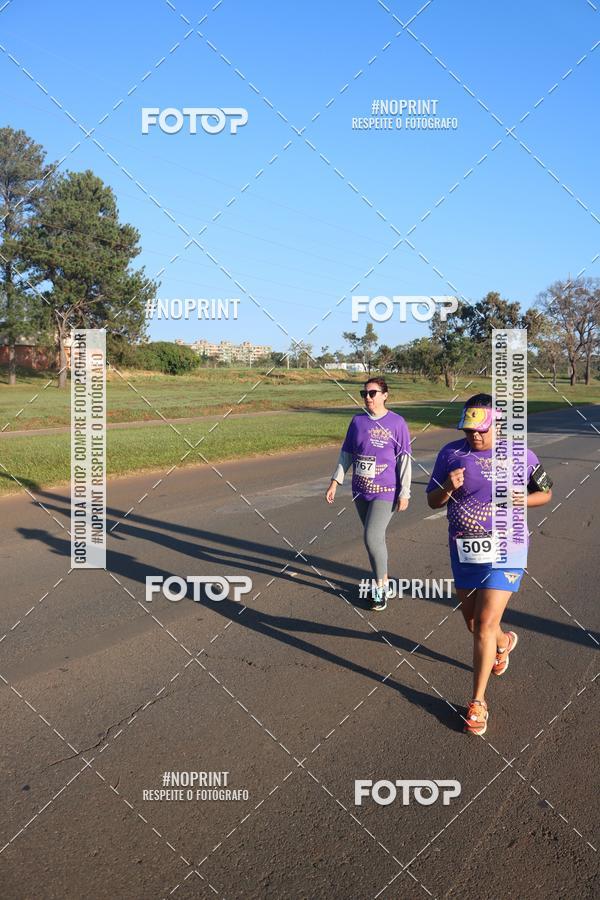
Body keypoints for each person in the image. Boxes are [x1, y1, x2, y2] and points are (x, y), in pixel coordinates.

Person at [426, 393, 553, 735]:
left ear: (497, 424)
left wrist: (522, 498)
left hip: (508, 547)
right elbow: (431, 501)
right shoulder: (450, 454)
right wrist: (448, 489)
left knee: (483, 624)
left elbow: (547, 493)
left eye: (481, 430)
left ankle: (478, 702)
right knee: (473, 624)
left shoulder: (520, 456)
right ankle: (504, 642)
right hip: (465, 549)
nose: (474, 436)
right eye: (469, 430)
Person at [326, 377, 412, 611]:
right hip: (360, 490)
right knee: (375, 538)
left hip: (386, 490)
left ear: (385, 395)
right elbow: (347, 454)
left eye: (373, 393)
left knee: (371, 537)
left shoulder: (397, 423)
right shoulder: (357, 422)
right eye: (364, 393)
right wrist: (336, 481)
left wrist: (405, 492)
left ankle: (380, 588)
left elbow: (404, 459)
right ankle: (383, 580)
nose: (367, 397)